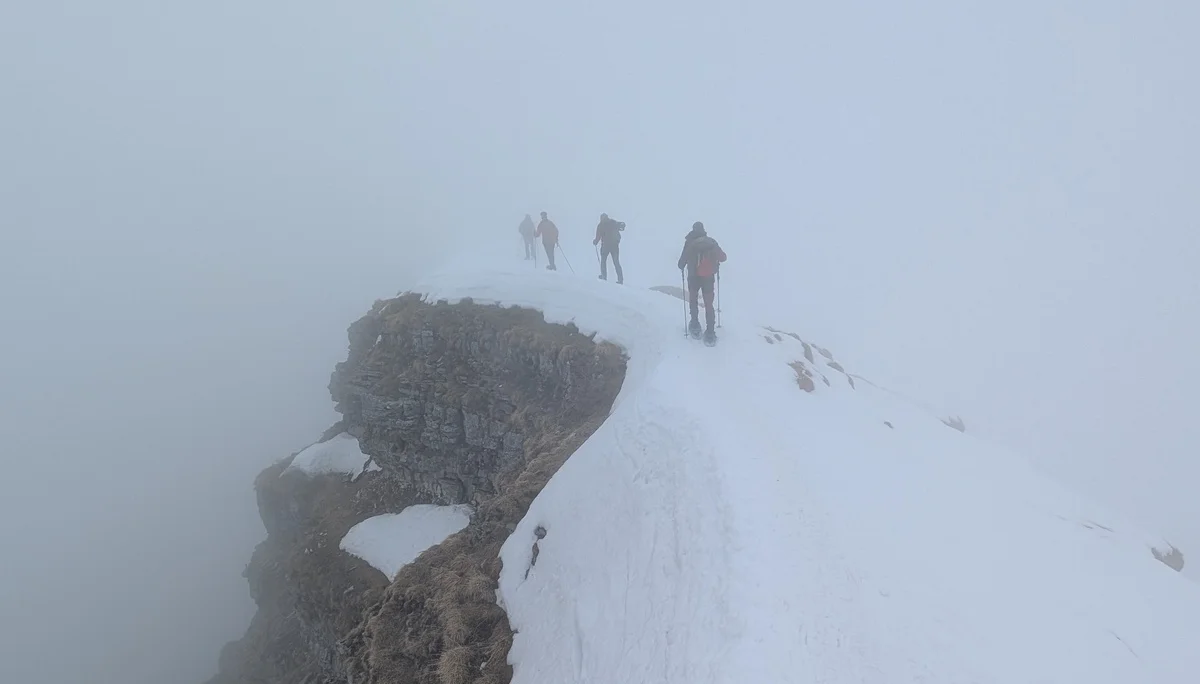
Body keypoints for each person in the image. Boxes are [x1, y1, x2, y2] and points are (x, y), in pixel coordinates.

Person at [677, 221, 726, 343]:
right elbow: (723, 258)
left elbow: (681, 263)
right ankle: (710, 332)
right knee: (709, 305)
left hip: (693, 278)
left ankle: (694, 324)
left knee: (693, 301)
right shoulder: (711, 242)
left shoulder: (689, 243)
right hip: (708, 278)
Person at [593, 212, 625, 283]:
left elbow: (598, 236)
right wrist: (622, 224)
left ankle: (604, 276)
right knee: (616, 262)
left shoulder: (600, 225)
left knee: (603, 261)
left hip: (605, 246)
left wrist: (595, 241)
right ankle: (620, 279)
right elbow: (620, 225)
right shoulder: (612, 222)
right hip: (614, 246)